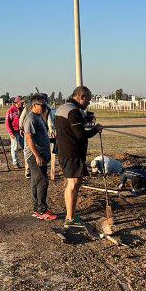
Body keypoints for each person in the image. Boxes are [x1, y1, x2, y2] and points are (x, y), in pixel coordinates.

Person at [54, 86, 102, 227]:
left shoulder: (63, 108)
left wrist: (84, 120)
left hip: (66, 152)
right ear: (81, 96)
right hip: (72, 153)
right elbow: (80, 135)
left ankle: (72, 215)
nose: (88, 103)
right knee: (73, 184)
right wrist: (95, 129)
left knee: (74, 183)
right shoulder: (73, 111)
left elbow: (71, 127)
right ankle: (70, 218)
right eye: (88, 100)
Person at [23, 94, 57, 220]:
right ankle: (42, 210)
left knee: (36, 181)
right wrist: (37, 155)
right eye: (42, 105)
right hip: (35, 155)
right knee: (42, 181)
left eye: (45, 104)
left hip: (40, 154)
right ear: (34, 105)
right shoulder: (31, 118)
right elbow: (28, 138)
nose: (44, 107)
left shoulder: (39, 117)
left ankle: (36, 208)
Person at [5, 96, 24, 168]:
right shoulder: (11, 110)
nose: (22, 104)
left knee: (25, 146)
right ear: (17, 103)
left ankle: (27, 161)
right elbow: (7, 123)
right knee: (14, 147)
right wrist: (10, 132)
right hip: (14, 131)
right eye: (21, 103)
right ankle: (15, 162)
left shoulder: (22, 110)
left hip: (21, 131)